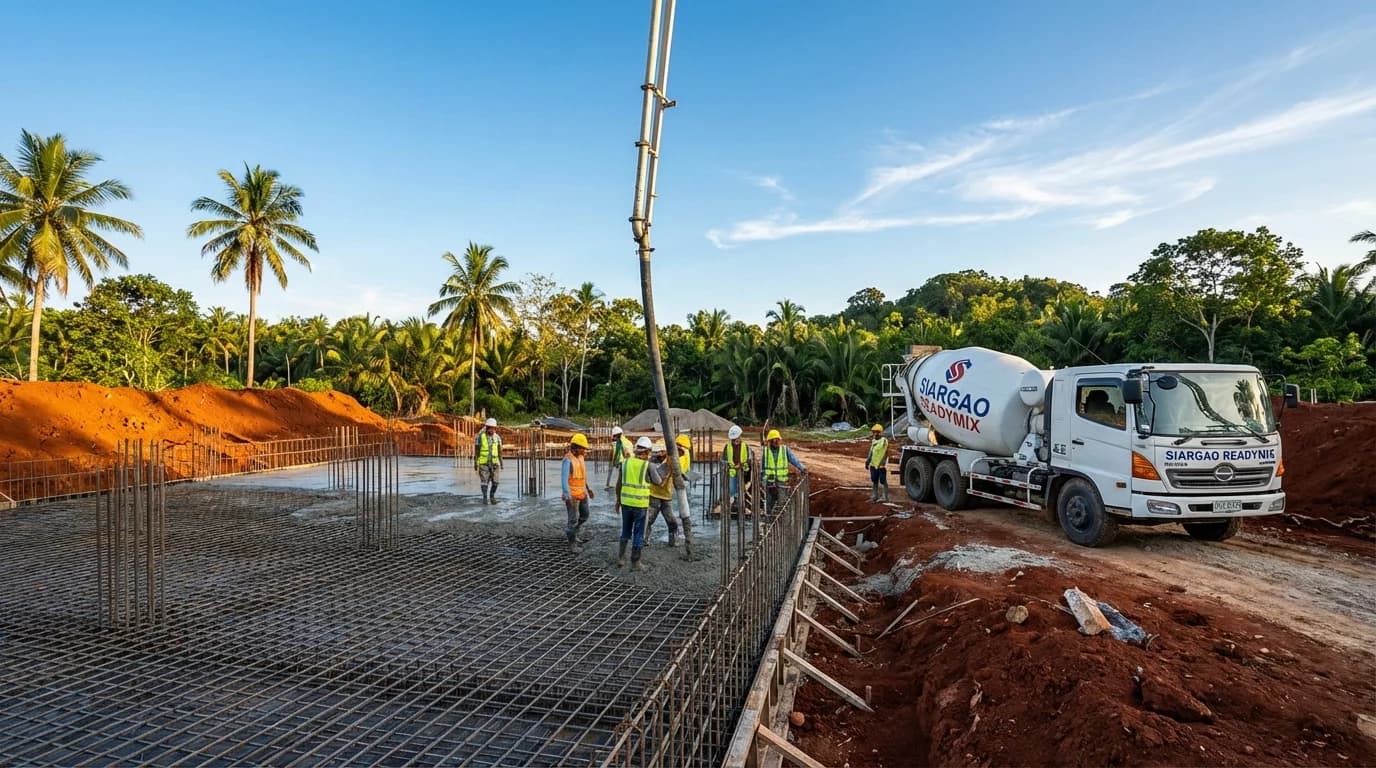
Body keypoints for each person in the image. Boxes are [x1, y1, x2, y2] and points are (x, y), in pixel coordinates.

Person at [615, 436, 660, 571]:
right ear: (646, 452)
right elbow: (658, 481)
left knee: (625, 531)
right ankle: (635, 562)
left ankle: (621, 558)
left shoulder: (625, 463)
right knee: (639, 534)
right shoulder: (649, 465)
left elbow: (619, 484)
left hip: (626, 503)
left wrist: (618, 501)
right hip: (640, 505)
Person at [562, 433, 595, 553]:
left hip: (582, 493)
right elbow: (564, 479)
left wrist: (588, 489)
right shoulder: (567, 460)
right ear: (576, 447)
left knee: (585, 515)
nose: (585, 450)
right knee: (572, 520)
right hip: (572, 496)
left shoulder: (581, 458)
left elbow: (582, 476)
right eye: (583, 448)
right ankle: (572, 543)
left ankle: (574, 533)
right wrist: (567, 495)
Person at [761, 429, 807, 512]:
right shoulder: (766, 451)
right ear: (770, 441)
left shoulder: (785, 450)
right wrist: (763, 481)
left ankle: (781, 522)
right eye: (774, 440)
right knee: (769, 505)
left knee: (782, 505)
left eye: (778, 440)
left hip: (781, 482)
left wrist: (802, 468)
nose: (777, 442)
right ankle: (769, 522)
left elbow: (794, 460)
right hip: (769, 482)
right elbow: (763, 468)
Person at [645, 441, 679, 546]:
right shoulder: (650, 462)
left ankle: (673, 541)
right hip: (653, 495)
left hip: (666, 496)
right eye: (655, 453)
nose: (657, 455)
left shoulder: (670, 462)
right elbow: (650, 479)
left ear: (664, 452)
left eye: (659, 452)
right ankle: (644, 540)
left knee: (671, 521)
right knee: (648, 520)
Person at [721, 425, 751, 514]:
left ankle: (741, 502)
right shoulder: (727, 447)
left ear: (739, 436)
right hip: (732, 471)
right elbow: (724, 459)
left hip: (743, 471)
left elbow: (749, 459)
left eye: (736, 438)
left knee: (742, 488)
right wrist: (728, 466)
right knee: (732, 488)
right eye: (733, 439)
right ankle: (735, 502)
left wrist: (742, 465)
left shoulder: (745, 446)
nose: (735, 441)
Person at [475, 417, 502, 504]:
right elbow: (477, 450)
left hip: (494, 463)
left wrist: (501, 462)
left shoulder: (497, 438)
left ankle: (492, 496)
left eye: (493, 428)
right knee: (484, 482)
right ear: (487, 428)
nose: (492, 430)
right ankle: (485, 498)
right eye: (490, 428)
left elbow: (499, 450)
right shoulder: (480, 437)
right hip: (484, 463)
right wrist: (475, 462)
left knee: (496, 482)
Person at [866, 423, 890, 503]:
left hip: (881, 465)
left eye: (877, 432)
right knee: (874, 480)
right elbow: (871, 452)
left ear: (880, 432)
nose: (875, 434)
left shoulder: (884, 441)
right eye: (874, 432)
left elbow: (886, 452)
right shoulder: (873, 441)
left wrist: (883, 463)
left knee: (883, 481)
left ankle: (885, 497)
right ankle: (875, 496)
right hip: (873, 464)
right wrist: (867, 461)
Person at [604, 425, 631, 490]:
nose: (613, 437)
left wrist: (613, 461)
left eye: (614, 436)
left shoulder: (622, 443)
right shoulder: (623, 441)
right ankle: (609, 484)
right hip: (622, 460)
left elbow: (624, 453)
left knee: (620, 474)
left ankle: (615, 484)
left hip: (622, 461)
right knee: (619, 474)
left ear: (617, 435)